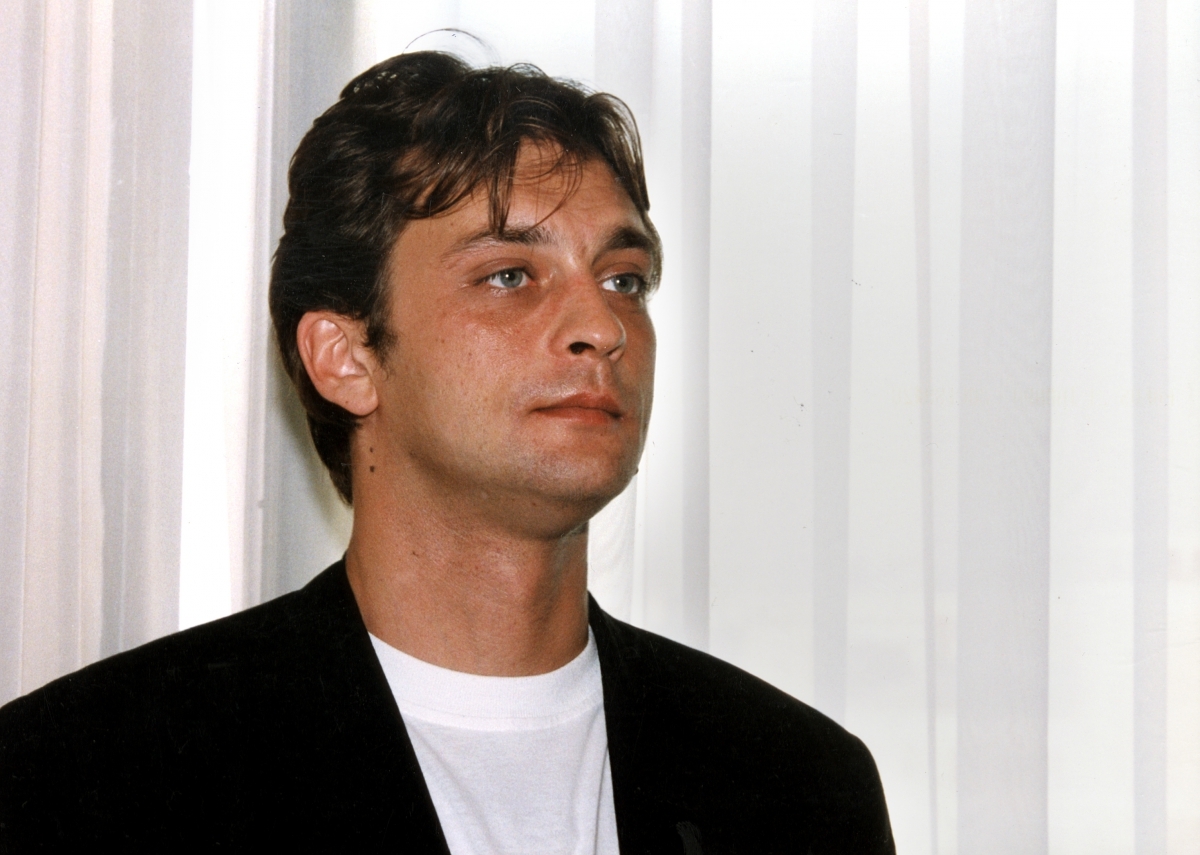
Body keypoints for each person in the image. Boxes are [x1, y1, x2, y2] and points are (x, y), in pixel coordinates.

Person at [0, 52, 893, 853]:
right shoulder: (92, 777)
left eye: (624, 279)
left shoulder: (798, 786)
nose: (602, 325)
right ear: (346, 358)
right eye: (509, 275)